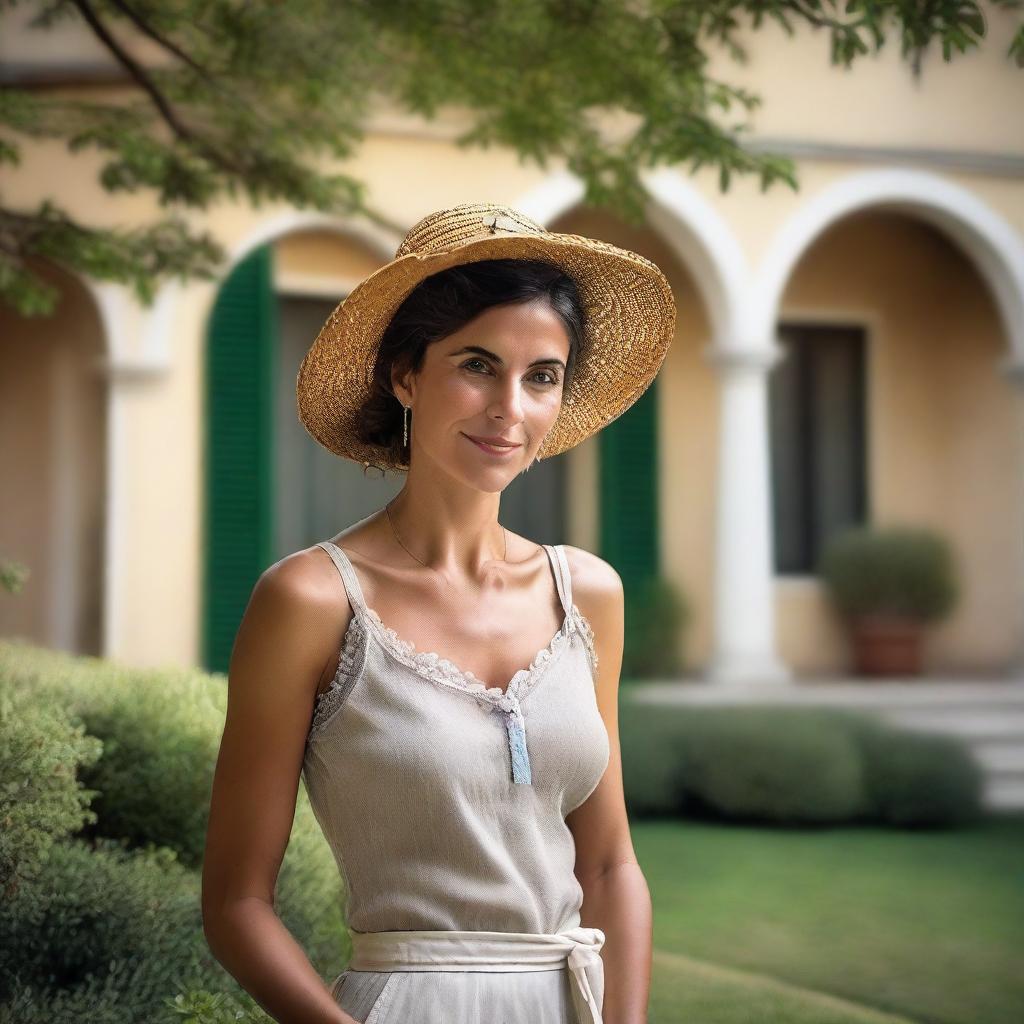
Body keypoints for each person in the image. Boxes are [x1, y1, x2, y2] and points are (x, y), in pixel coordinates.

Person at [201, 202, 676, 1024]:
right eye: (478, 365)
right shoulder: (312, 601)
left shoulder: (586, 593)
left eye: (542, 376)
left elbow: (608, 867)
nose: (510, 411)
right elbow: (237, 903)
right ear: (405, 375)